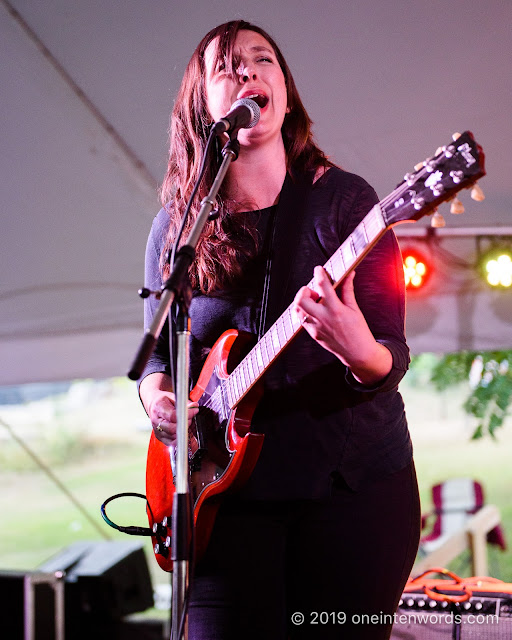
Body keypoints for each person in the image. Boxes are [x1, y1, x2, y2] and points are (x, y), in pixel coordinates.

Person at [139, 19, 420, 640]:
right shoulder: (178, 227)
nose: (248, 72)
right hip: (225, 496)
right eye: (227, 67)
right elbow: (158, 356)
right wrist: (160, 403)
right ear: (202, 105)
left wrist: (357, 350)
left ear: (284, 92)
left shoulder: (346, 203)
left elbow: (391, 356)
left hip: (350, 492)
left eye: (263, 60)